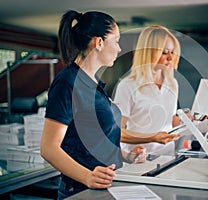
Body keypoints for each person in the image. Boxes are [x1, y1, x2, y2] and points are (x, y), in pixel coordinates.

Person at [40, 10, 145, 199]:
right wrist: (88, 177)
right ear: (99, 42)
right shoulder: (67, 82)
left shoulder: (93, 82)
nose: (120, 48)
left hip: (104, 185)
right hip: (80, 189)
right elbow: (48, 148)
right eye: (116, 41)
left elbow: (94, 139)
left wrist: (126, 156)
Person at [113, 25, 182, 156]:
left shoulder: (173, 84)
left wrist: (190, 121)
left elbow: (170, 120)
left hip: (167, 155)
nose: (170, 58)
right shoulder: (127, 86)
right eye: (164, 52)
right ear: (149, 53)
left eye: (173, 52)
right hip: (137, 156)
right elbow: (117, 131)